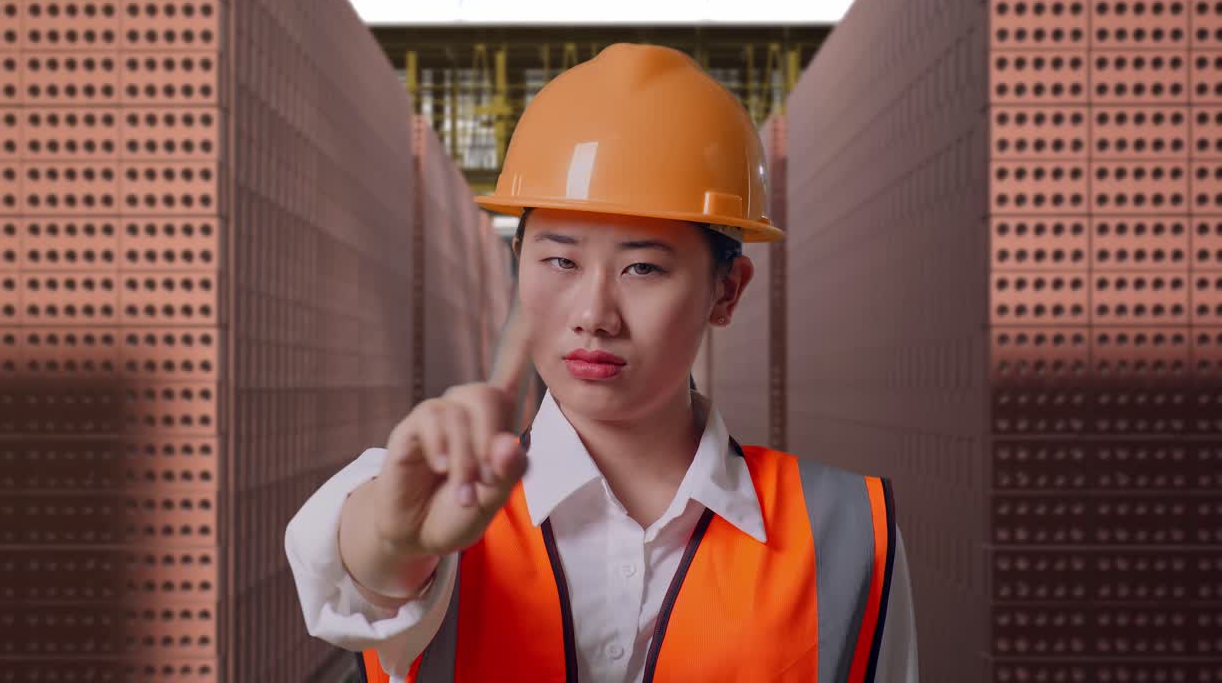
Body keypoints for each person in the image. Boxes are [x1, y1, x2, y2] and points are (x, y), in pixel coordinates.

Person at [285, 42, 919, 682]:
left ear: (725, 291)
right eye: (561, 261)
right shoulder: (437, 506)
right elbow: (354, 572)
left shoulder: (848, 531)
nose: (594, 313)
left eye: (643, 267)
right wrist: (396, 541)